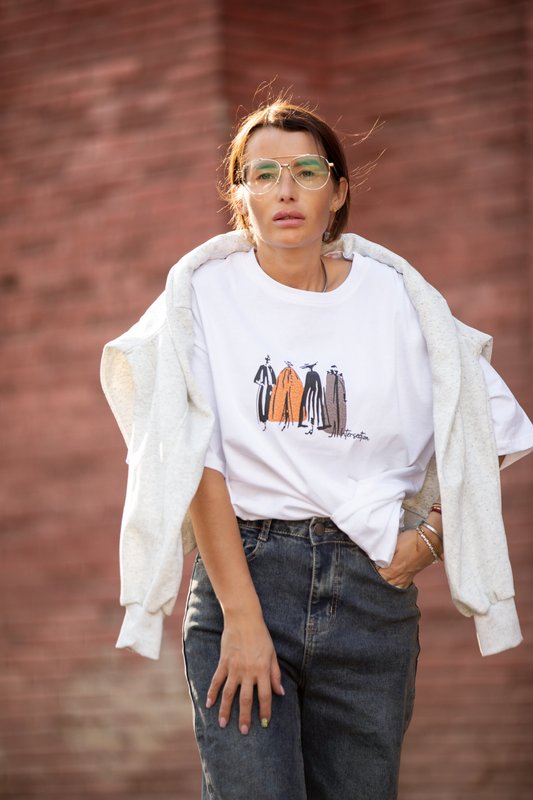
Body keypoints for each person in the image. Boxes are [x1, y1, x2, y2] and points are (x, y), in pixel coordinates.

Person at [100, 99, 533, 800]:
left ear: (336, 193)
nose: (286, 190)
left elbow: (484, 423)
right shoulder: (203, 297)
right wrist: (242, 618)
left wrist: (428, 541)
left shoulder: (396, 299)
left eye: (306, 171)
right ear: (239, 195)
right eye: (263, 173)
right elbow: (192, 457)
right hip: (246, 572)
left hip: (369, 589)